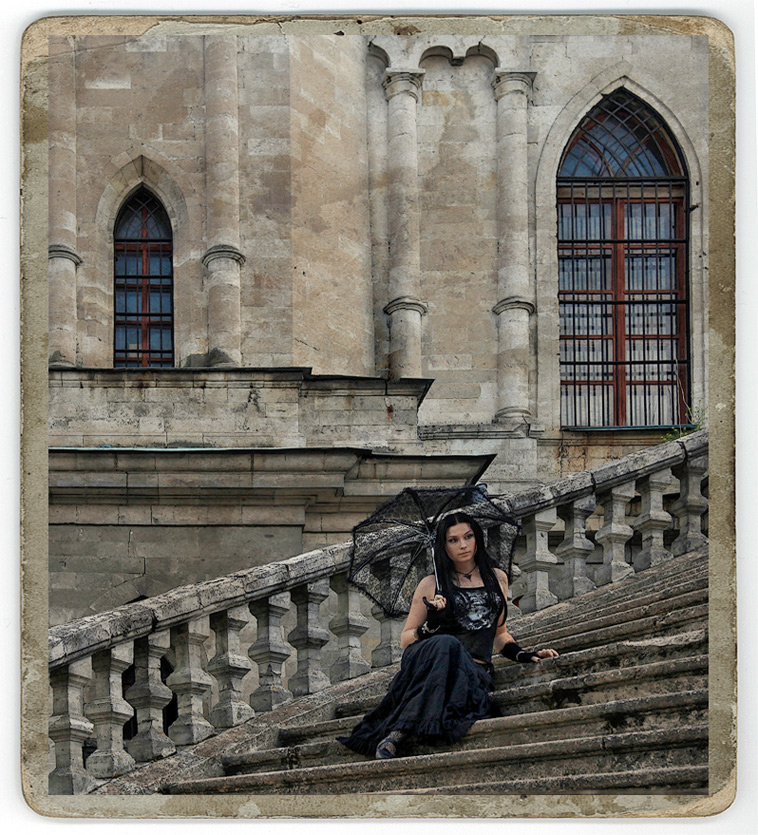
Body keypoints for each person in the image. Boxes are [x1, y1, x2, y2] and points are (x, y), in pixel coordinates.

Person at [338, 512, 559, 759]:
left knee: (449, 646)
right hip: (433, 660)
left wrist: (524, 655)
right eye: (453, 540)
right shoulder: (432, 584)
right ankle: (397, 733)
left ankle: (399, 730)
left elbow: (499, 634)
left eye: (468, 536)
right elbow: (405, 639)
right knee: (447, 643)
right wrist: (432, 625)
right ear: (443, 546)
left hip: (472, 670)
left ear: (477, 538)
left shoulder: (498, 578)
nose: (463, 545)